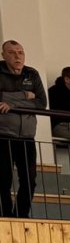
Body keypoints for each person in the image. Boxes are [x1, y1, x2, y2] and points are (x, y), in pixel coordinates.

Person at [0, 41, 46, 218]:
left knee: (29, 180)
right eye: (12, 53)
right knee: (3, 179)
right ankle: (5, 216)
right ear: (4, 55)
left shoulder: (32, 73)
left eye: (20, 52)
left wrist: (11, 103)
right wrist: (26, 96)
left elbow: (41, 102)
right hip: (3, 135)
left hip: (27, 136)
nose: (17, 56)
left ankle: (21, 216)